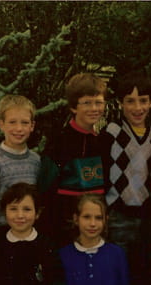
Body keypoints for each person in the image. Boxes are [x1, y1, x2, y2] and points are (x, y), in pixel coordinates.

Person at [40, 73, 110, 245]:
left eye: (98, 102)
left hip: (94, 225)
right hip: (63, 225)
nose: (94, 108)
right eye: (87, 103)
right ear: (73, 107)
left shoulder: (104, 141)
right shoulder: (59, 141)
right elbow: (46, 187)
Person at [102, 70, 151, 254]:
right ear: (120, 103)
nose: (137, 108)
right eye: (130, 101)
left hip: (148, 215)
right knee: (119, 261)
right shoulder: (111, 132)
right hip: (118, 215)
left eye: (143, 101)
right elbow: (103, 174)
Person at [0, 94, 41, 246]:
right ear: (1, 124)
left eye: (24, 123)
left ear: (32, 126)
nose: (19, 128)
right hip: (0, 238)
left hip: (30, 235)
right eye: (12, 122)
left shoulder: (36, 161)